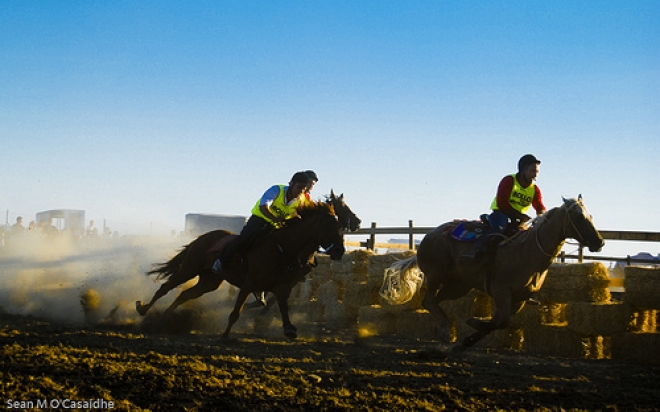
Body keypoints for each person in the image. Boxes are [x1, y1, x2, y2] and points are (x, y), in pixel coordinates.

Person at [212, 171, 311, 275]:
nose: (301, 191)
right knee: (244, 239)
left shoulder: (302, 200)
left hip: (275, 227)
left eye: (304, 188)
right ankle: (220, 261)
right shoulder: (276, 190)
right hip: (259, 220)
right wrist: (275, 218)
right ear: (291, 183)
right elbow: (263, 207)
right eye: (299, 187)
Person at [463, 154, 546, 261]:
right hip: (501, 213)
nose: (535, 175)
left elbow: (539, 206)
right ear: (523, 170)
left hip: (518, 219)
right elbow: (502, 204)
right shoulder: (509, 180)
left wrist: (543, 216)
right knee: (499, 228)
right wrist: (521, 216)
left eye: (537, 172)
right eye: (532, 171)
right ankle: (475, 251)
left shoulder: (535, 189)